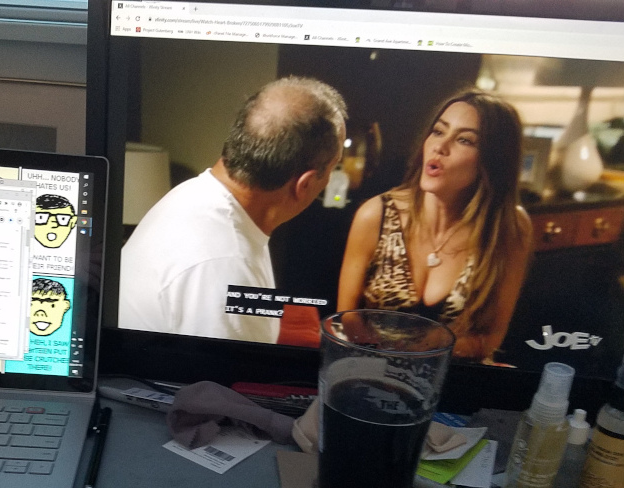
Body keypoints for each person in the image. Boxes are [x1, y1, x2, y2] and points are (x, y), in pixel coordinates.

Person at [119, 76, 347, 343]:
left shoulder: (197, 193)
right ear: (305, 184)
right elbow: (226, 371)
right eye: (332, 168)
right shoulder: (226, 264)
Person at [336, 89, 532, 362]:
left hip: (454, 374)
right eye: (438, 131)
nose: (440, 146)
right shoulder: (375, 215)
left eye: (464, 140)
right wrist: (386, 363)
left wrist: (440, 345)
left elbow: (492, 336)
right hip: (372, 367)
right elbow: (348, 317)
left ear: (492, 161)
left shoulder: (509, 227)